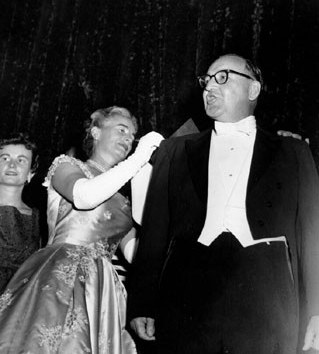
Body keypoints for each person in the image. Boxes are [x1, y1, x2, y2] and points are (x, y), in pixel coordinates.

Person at [128, 54, 319, 354]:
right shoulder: (174, 150)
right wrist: (142, 301)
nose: (209, 88)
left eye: (223, 77)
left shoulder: (293, 151)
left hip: (267, 288)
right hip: (187, 285)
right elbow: (155, 231)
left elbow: (312, 235)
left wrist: (316, 311)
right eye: (206, 81)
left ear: (253, 90)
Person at [0, 106, 163, 354]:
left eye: (132, 135)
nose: (129, 138)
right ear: (96, 132)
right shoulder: (66, 165)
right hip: (61, 274)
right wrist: (139, 158)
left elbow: (135, 254)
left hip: (102, 287)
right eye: (121, 129)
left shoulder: (124, 200)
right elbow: (85, 196)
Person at [0, 133, 40, 293]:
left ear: (31, 173)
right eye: (5, 158)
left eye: (21, 160)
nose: (12, 165)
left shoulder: (38, 219)